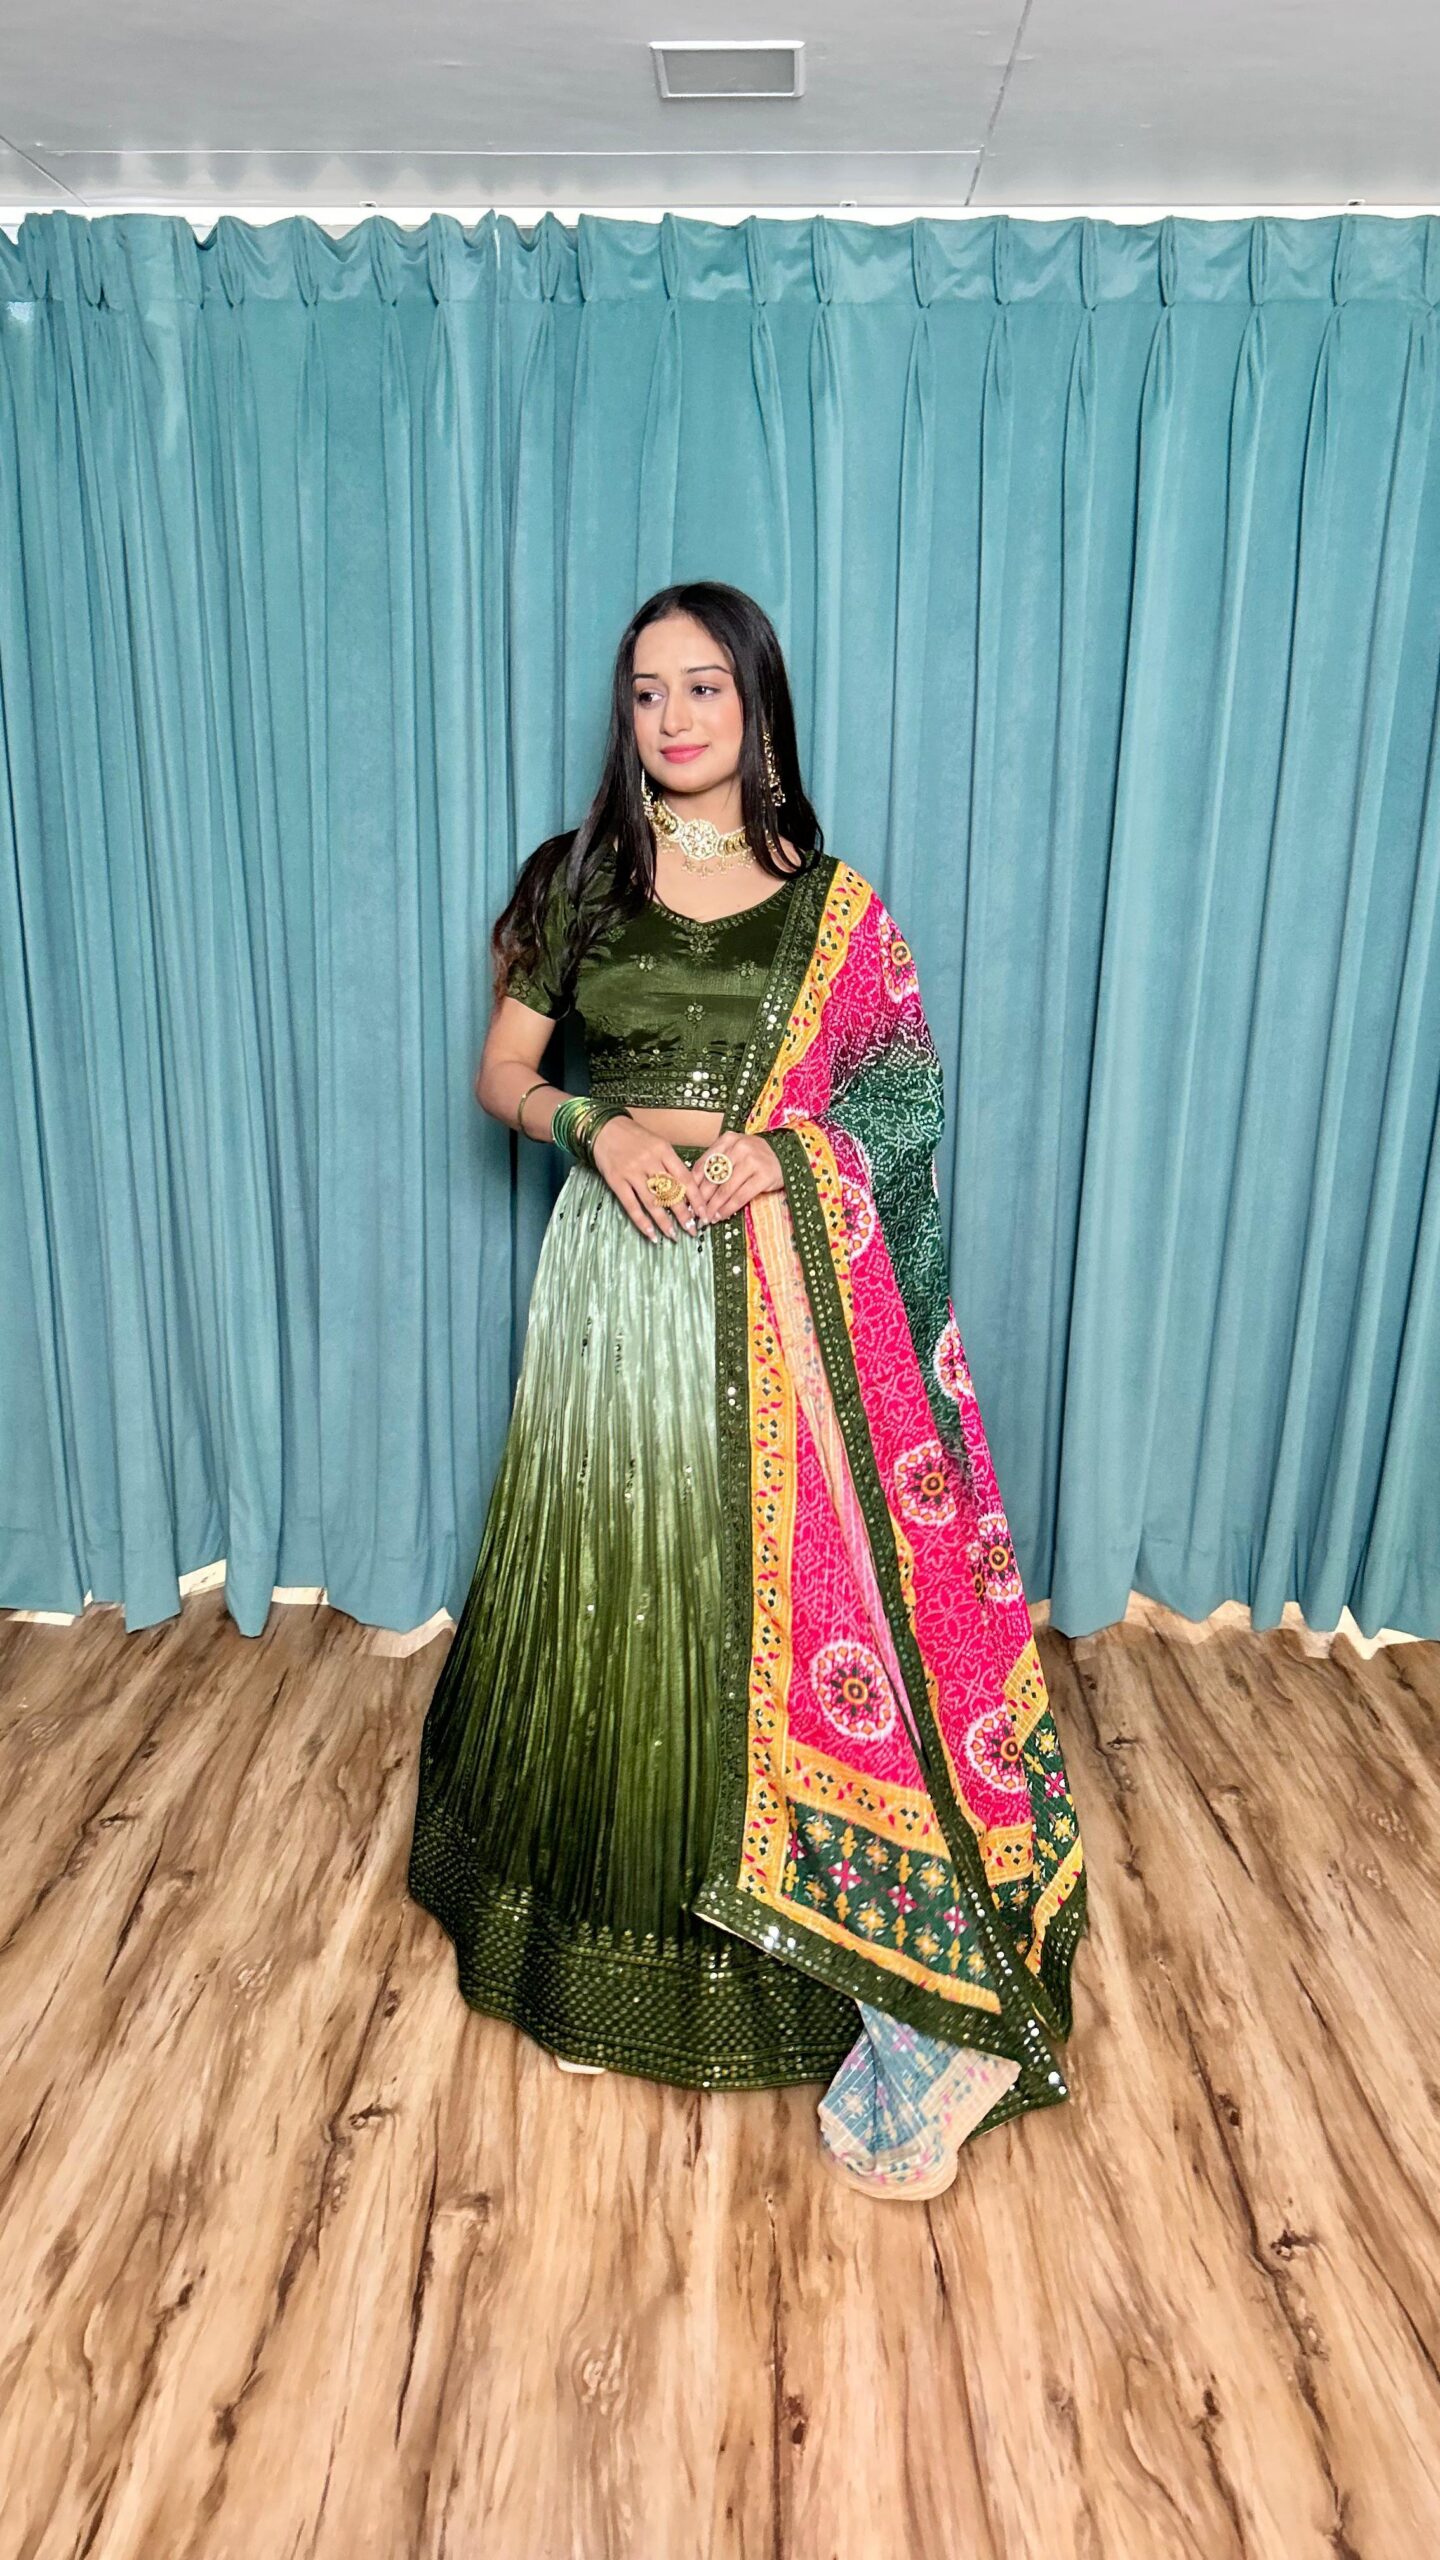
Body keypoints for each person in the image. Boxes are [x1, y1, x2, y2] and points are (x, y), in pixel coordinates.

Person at [406, 580, 1087, 2199]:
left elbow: (904, 1103)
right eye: (648, 691)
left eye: (704, 685)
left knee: (772, 1605)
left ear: (759, 704)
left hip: (781, 1289)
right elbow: (502, 1073)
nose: (674, 717)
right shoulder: (577, 885)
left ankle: (840, 1966)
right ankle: (601, 1947)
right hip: (619, 1281)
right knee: (622, 1593)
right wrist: (594, 1127)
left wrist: (785, 1156)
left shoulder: (834, 911)